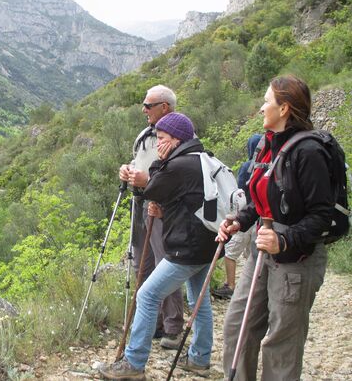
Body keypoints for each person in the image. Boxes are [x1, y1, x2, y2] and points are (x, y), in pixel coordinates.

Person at [218, 75, 331, 380]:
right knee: (237, 327)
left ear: (284, 109)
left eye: (267, 101)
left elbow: (322, 215)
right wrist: (239, 221)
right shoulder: (268, 146)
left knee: (281, 344)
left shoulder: (309, 152)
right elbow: (264, 199)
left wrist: (284, 240)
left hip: (296, 258)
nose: (261, 108)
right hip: (262, 247)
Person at [102, 112, 218, 379]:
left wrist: (157, 163)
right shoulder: (203, 158)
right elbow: (185, 200)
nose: (159, 144)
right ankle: (200, 358)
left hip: (185, 247)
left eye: (163, 139)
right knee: (198, 301)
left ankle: (133, 363)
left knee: (148, 295)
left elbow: (152, 188)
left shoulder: (178, 165)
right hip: (207, 243)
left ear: (176, 139)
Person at [117, 85, 185, 348]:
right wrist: (128, 169)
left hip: (162, 206)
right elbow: (140, 163)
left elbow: (179, 173)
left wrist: (149, 182)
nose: (143, 109)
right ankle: (152, 322)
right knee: (141, 263)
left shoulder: (178, 135)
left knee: (164, 264)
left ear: (164, 107)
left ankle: (172, 327)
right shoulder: (146, 135)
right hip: (140, 203)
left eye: (149, 105)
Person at [211, 133, 261, 300]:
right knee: (251, 254)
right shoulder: (267, 166)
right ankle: (254, 287)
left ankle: (230, 286)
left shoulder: (248, 166)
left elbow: (238, 192)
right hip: (259, 217)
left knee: (231, 253)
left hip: (244, 216)